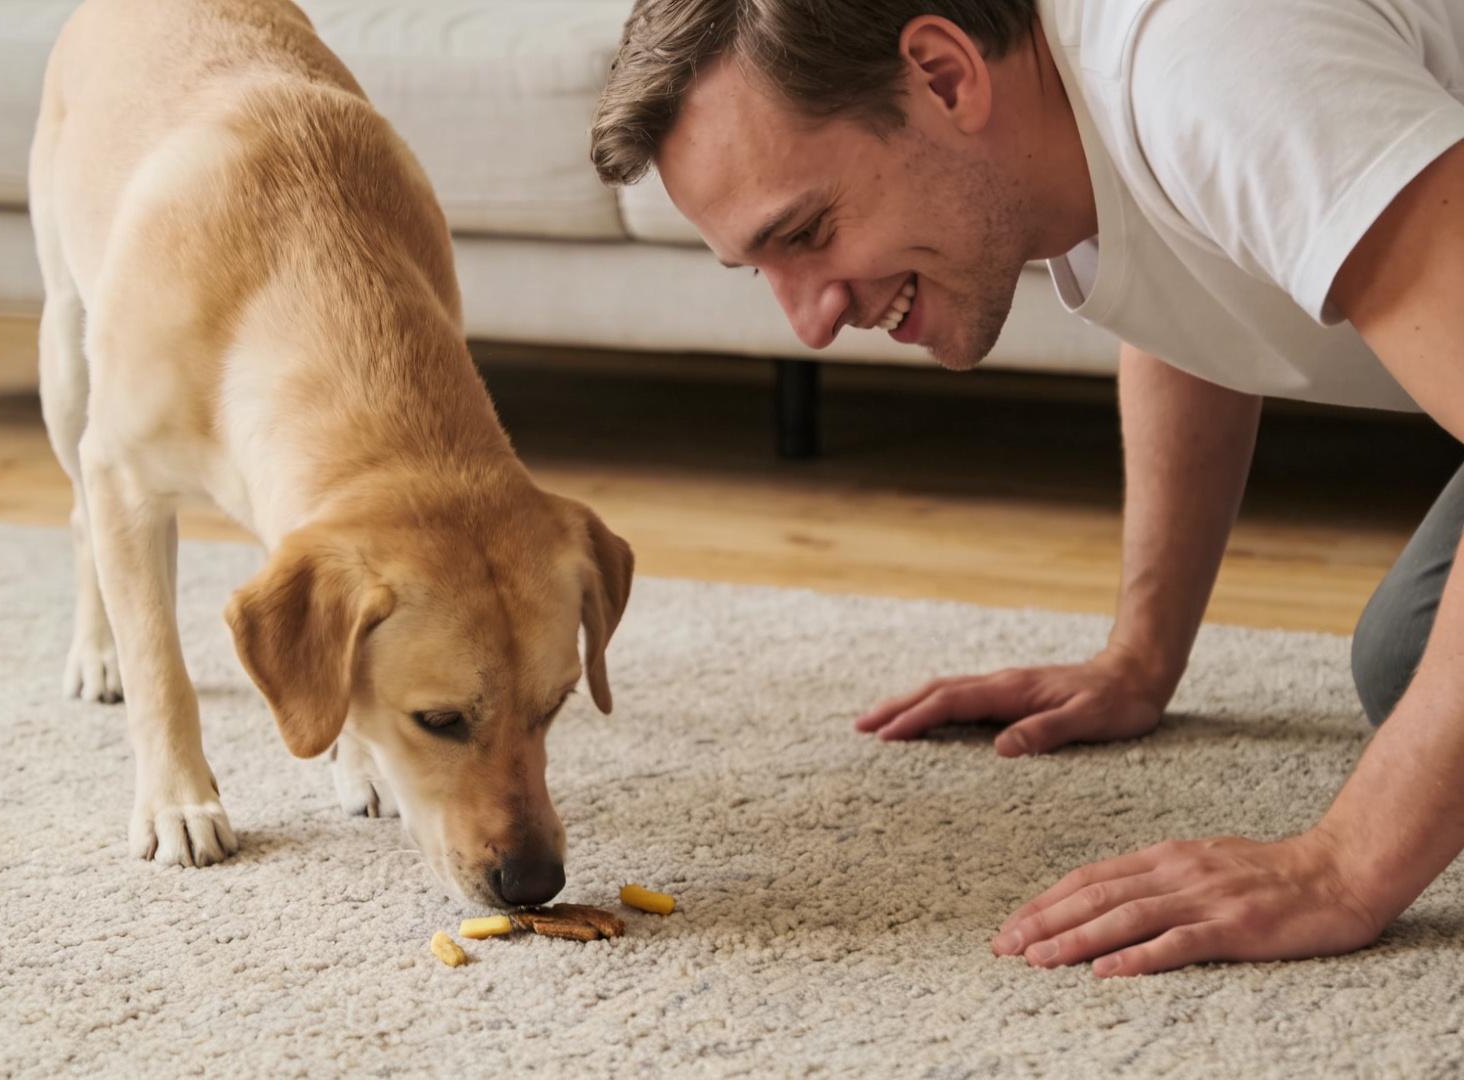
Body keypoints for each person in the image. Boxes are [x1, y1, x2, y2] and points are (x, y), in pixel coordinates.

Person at [590, 0, 1464, 977]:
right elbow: (1191, 280)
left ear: (945, 76)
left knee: (1416, 731)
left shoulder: (1214, 62)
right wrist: (1142, 655)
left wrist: (1344, 865)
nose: (811, 323)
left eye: (808, 230)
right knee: (1412, 663)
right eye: (762, 270)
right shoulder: (1094, 107)